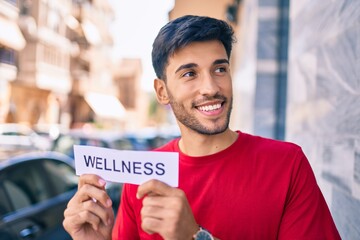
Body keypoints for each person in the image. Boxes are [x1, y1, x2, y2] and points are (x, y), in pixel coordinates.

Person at [63, 15, 341, 240]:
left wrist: (195, 237)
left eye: (220, 69)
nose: (210, 88)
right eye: (189, 74)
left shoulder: (287, 164)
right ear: (162, 92)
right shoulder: (142, 176)